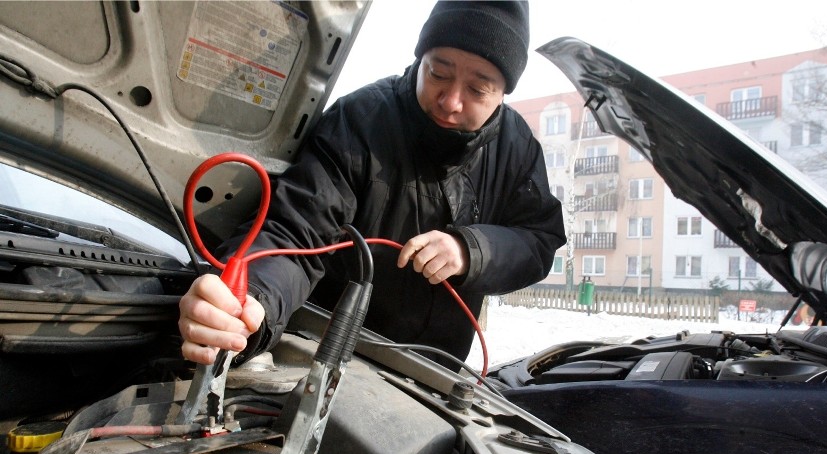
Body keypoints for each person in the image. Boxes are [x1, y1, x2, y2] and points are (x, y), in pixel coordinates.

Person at [178, 0, 566, 370]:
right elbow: (296, 232)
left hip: (436, 380)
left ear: (502, 93)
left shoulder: (517, 147)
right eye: (439, 73)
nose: (450, 101)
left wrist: (472, 250)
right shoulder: (359, 120)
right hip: (324, 355)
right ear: (421, 58)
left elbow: (538, 240)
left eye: (478, 89)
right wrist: (252, 300)